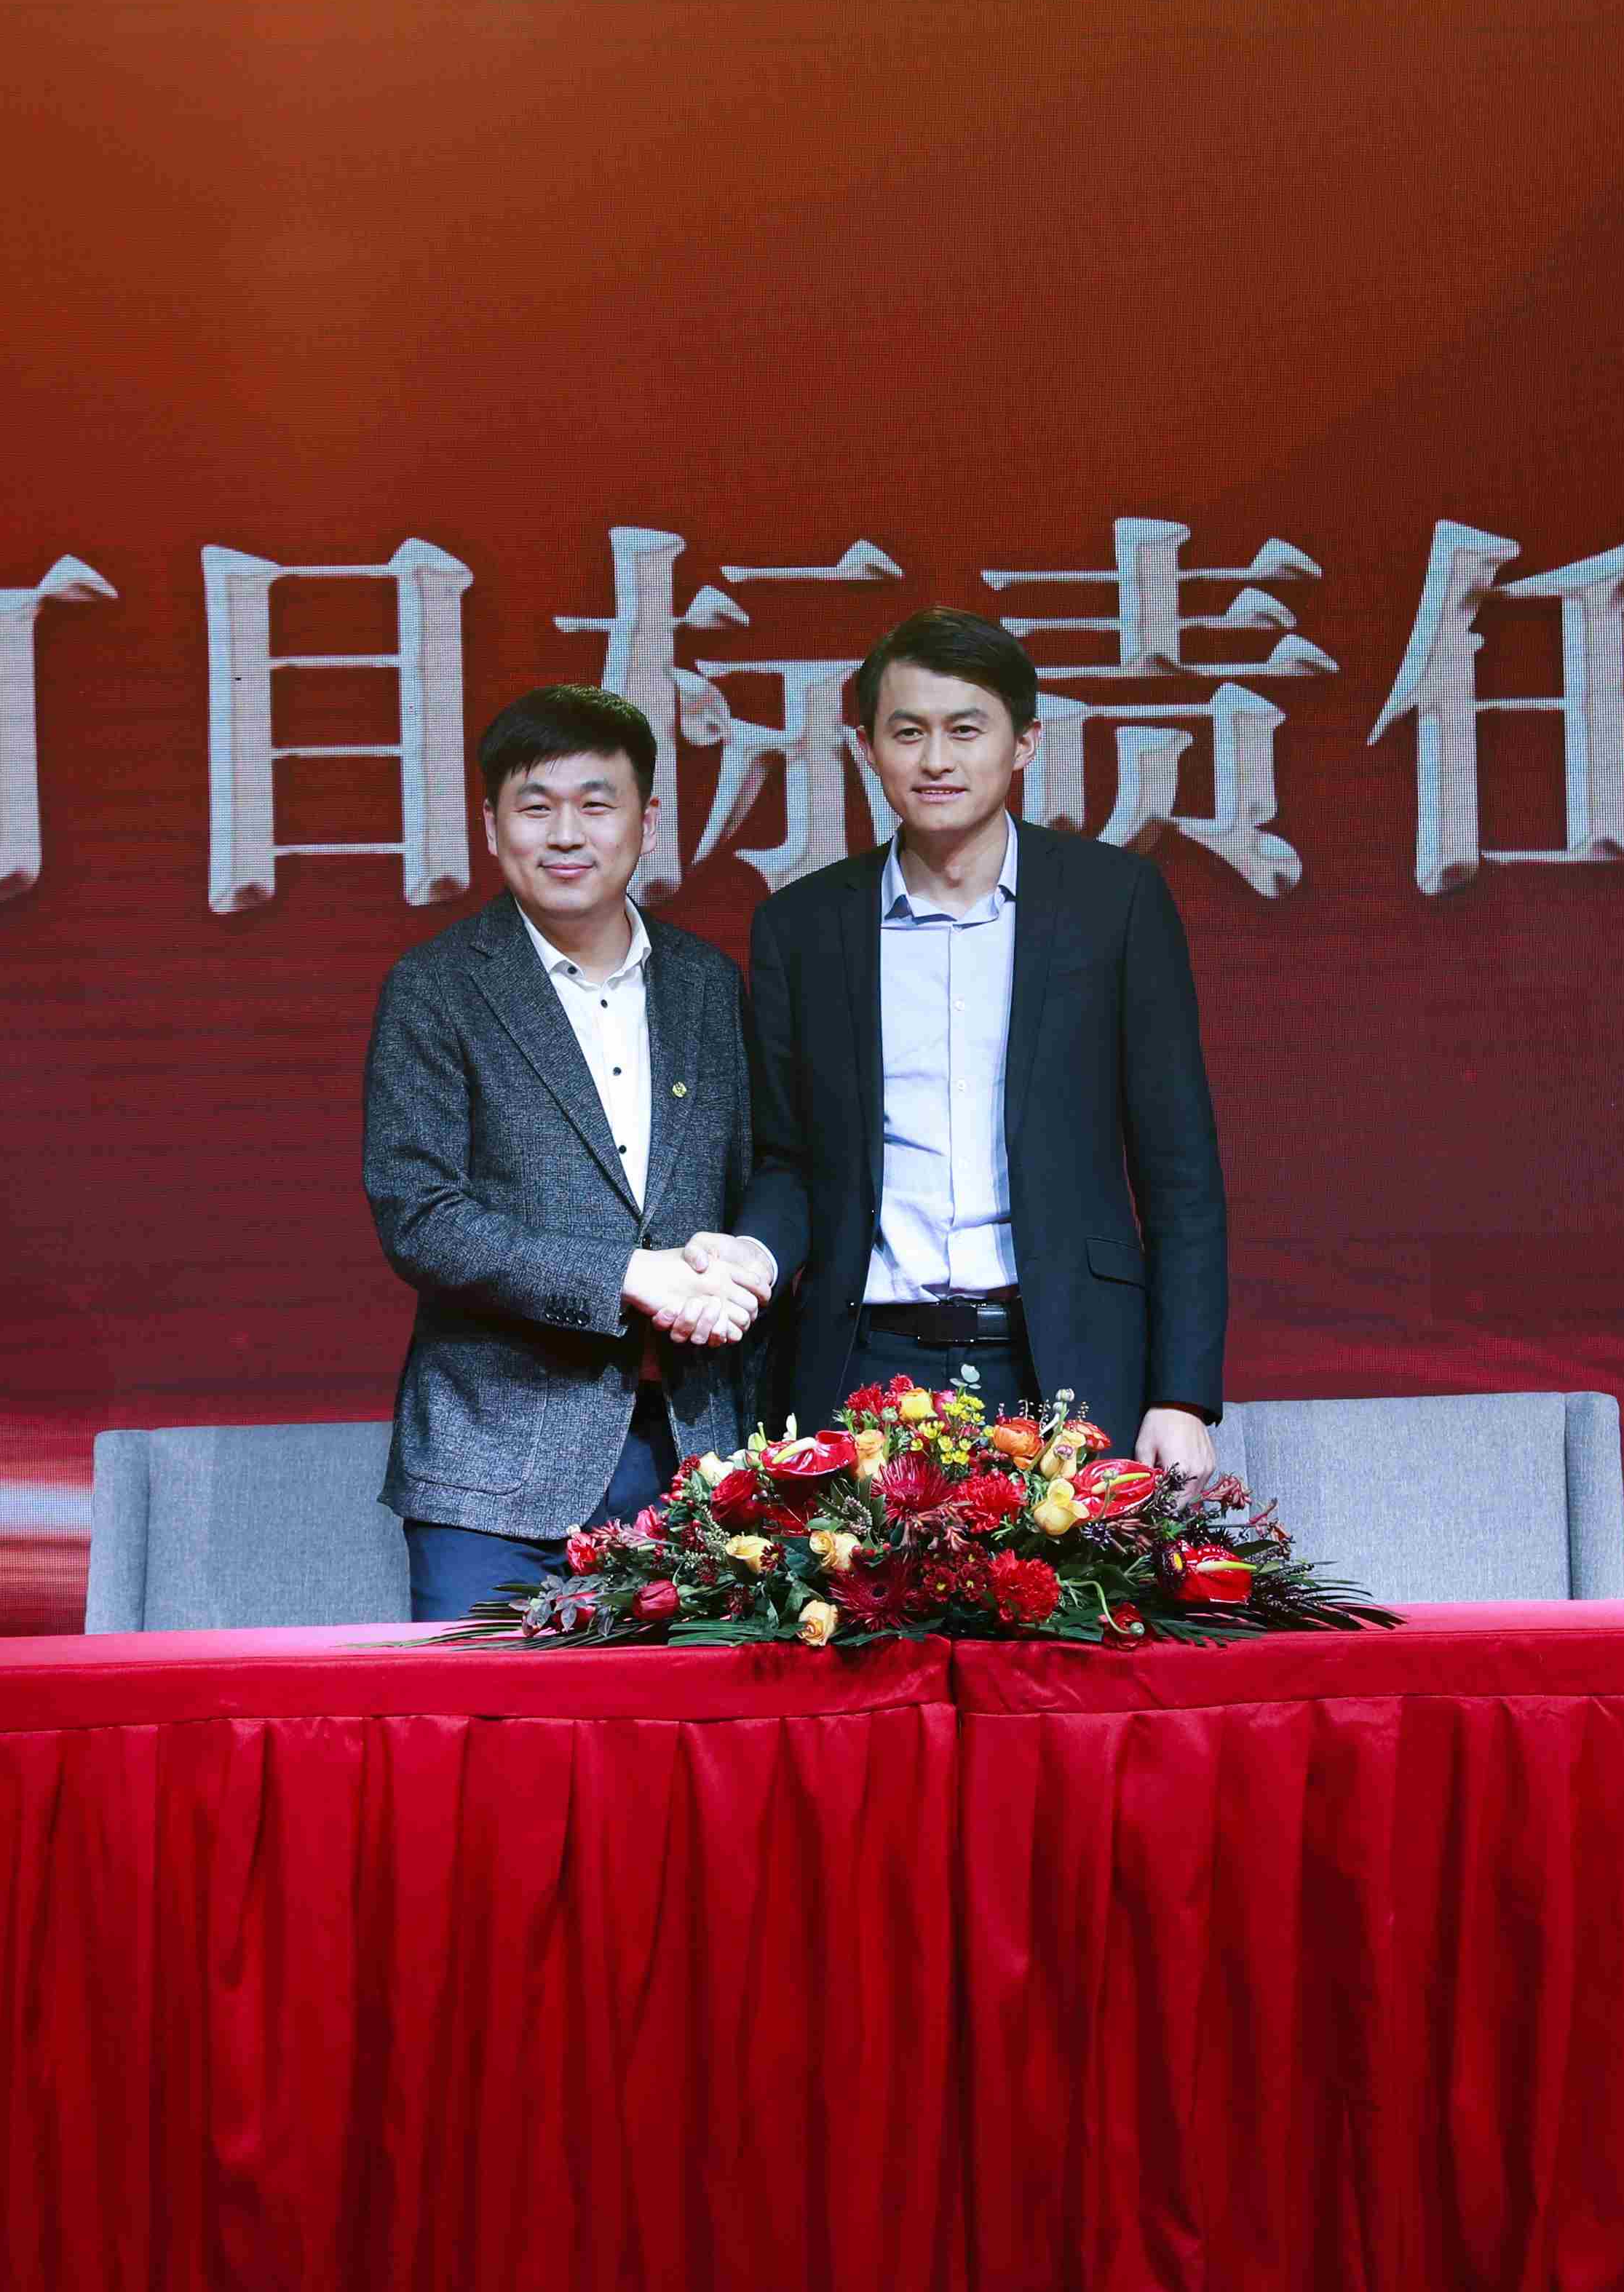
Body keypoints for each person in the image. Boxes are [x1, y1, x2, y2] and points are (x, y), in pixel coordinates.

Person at [702, 608, 1228, 1472]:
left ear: (1024, 743)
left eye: (966, 730)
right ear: (866, 747)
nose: (936, 760)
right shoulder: (802, 927)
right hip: (864, 1359)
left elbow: (1180, 1167)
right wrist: (751, 1257)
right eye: (908, 732)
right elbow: (787, 1158)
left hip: (1064, 1357)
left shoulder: (1113, 903)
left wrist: (1181, 1393)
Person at [365, 684, 762, 1622]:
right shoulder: (435, 988)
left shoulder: (709, 984)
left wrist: (739, 1266)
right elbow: (422, 1218)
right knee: (490, 1713)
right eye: (536, 807)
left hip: (697, 1460)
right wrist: (626, 1275)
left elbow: (754, 1178)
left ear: (647, 824)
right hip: (493, 1467)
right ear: (491, 825)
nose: (567, 834)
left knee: (691, 1715)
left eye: (596, 804)